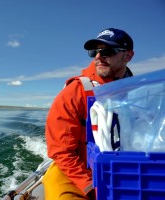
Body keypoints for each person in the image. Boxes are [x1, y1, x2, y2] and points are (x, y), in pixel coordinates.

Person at [42, 28, 134, 199]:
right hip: (74, 171)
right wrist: (92, 187)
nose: (98, 57)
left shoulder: (138, 93)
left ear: (127, 56)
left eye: (107, 51)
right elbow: (61, 152)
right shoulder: (75, 91)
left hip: (118, 168)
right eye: (94, 52)